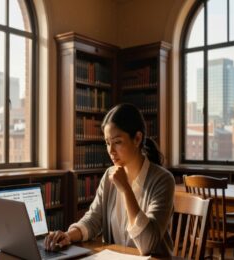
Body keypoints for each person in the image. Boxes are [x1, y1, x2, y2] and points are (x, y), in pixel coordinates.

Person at [44, 103, 175, 257]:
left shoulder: (163, 180)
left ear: (137, 138)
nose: (111, 151)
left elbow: (147, 244)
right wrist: (68, 235)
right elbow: (93, 219)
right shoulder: (109, 176)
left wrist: (126, 190)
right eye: (107, 143)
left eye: (117, 142)